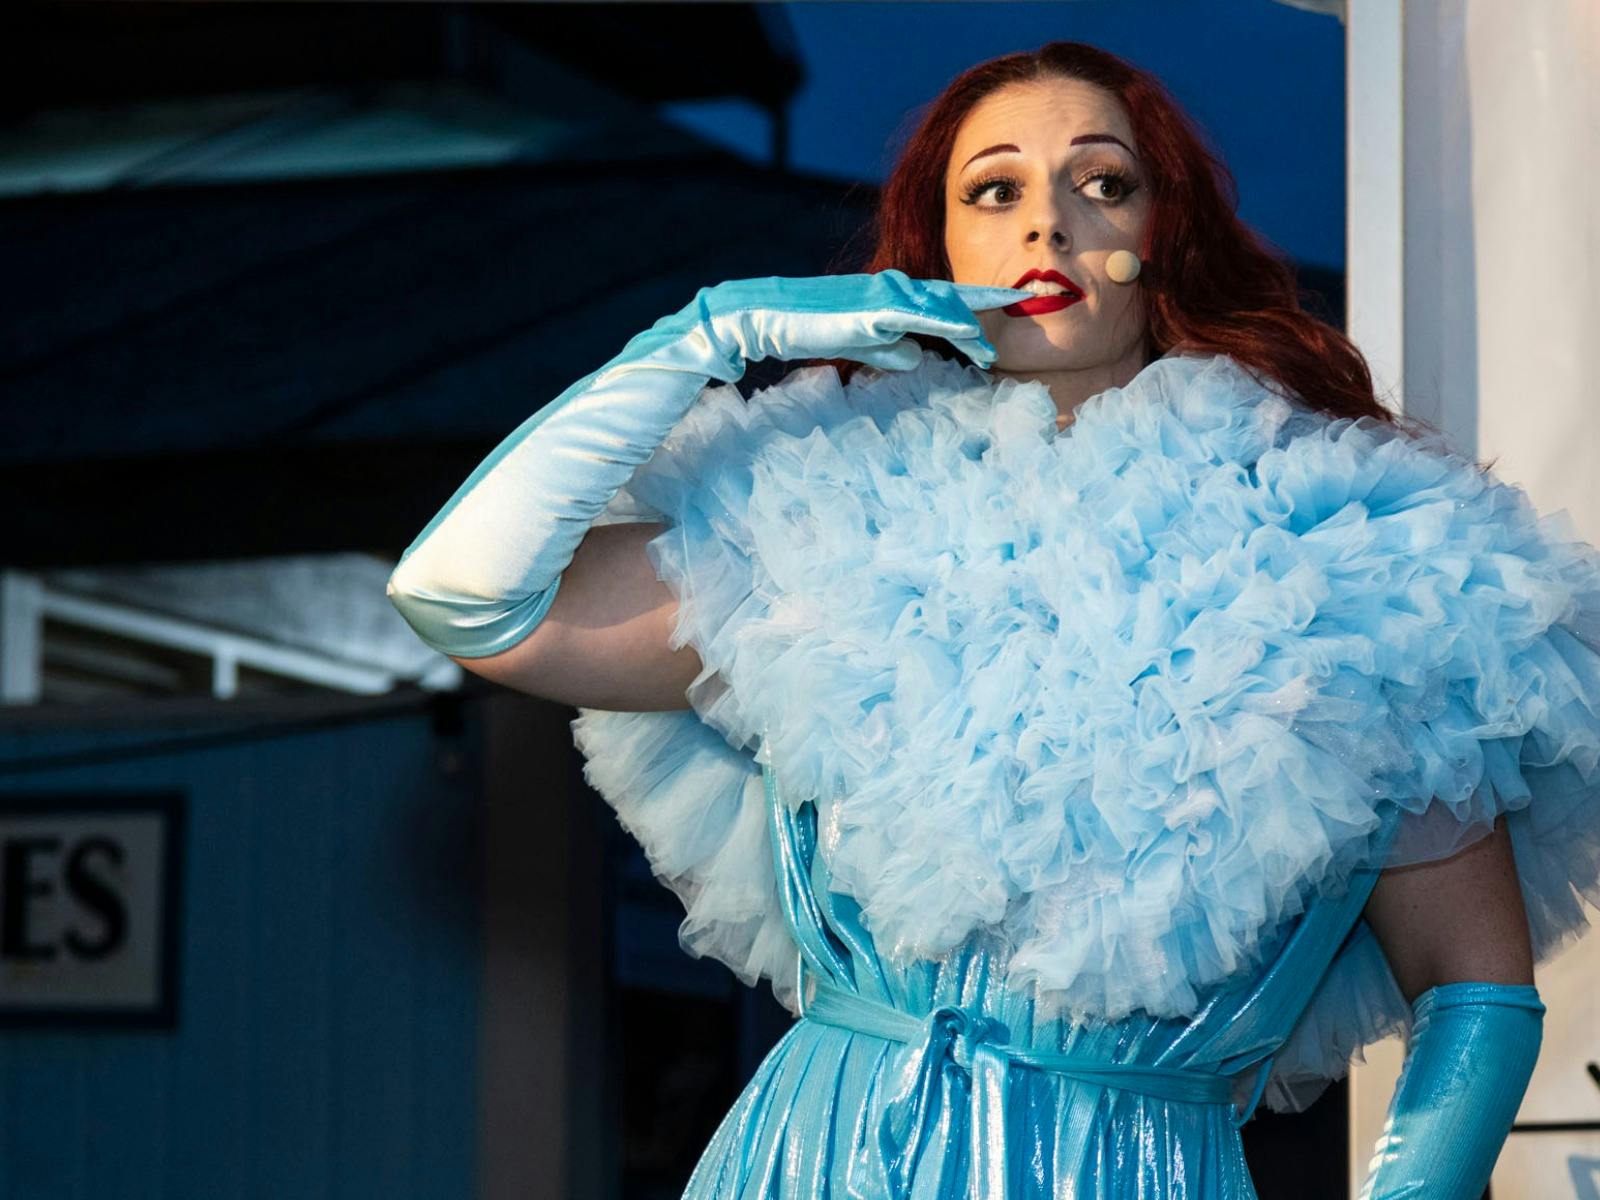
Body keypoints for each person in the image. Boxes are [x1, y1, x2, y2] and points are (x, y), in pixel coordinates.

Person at [386, 41, 1600, 1200]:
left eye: (1102, 182)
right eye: (995, 189)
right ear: (940, 242)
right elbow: (461, 598)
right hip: (816, 1160)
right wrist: (710, 335)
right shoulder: (817, 515)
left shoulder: (1349, 552)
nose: (1047, 225)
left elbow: (1474, 993)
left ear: (1164, 233)